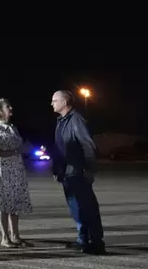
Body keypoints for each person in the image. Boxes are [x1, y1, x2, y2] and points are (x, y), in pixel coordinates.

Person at [51, 90, 105, 255]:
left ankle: (96, 242)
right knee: (76, 209)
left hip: (78, 172)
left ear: (65, 102)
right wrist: (57, 169)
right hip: (67, 173)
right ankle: (83, 240)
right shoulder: (62, 121)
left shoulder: (76, 120)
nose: (52, 103)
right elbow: (60, 148)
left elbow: (87, 145)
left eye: (55, 100)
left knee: (88, 208)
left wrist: (89, 170)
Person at [0, 98, 33, 248]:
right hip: (3, 169)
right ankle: (5, 238)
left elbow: (20, 146)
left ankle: (16, 235)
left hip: (16, 168)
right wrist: (16, 151)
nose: (11, 108)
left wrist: (24, 149)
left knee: (15, 203)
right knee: (3, 203)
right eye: (7, 106)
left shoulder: (13, 127)